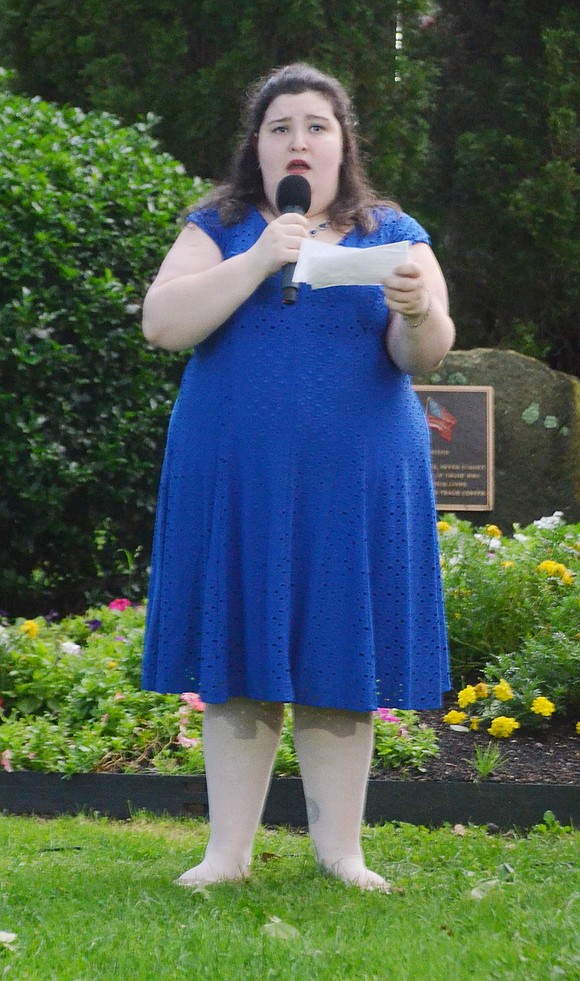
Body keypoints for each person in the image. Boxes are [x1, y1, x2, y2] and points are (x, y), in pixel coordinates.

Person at [141, 63, 454, 892]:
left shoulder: (391, 227)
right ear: (258, 144)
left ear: (343, 141)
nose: (299, 140)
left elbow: (422, 352)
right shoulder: (222, 224)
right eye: (280, 126)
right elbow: (163, 323)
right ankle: (226, 855)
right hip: (238, 473)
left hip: (357, 476)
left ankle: (340, 853)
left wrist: (419, 308)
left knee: (340, 648)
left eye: (316, 124)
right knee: (238, 649)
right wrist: (258, 260)